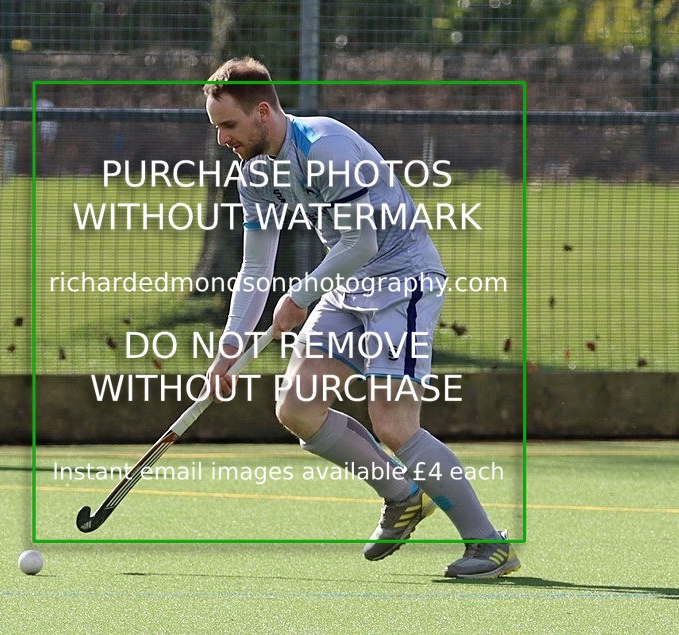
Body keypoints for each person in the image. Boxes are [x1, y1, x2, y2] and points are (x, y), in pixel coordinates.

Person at [203, 57, 520, 579]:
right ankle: (403, 497)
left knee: (394, 425)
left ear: (263, 112)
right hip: (348, 281)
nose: (222, 139)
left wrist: (300, 297)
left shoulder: (324, 148)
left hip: (401, 278)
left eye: (228, 125)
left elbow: (362, 241)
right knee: (297, 407)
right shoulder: (254, 168)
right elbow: (255, 265)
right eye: (215, 127)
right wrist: (231, 346)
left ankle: (490, 545)